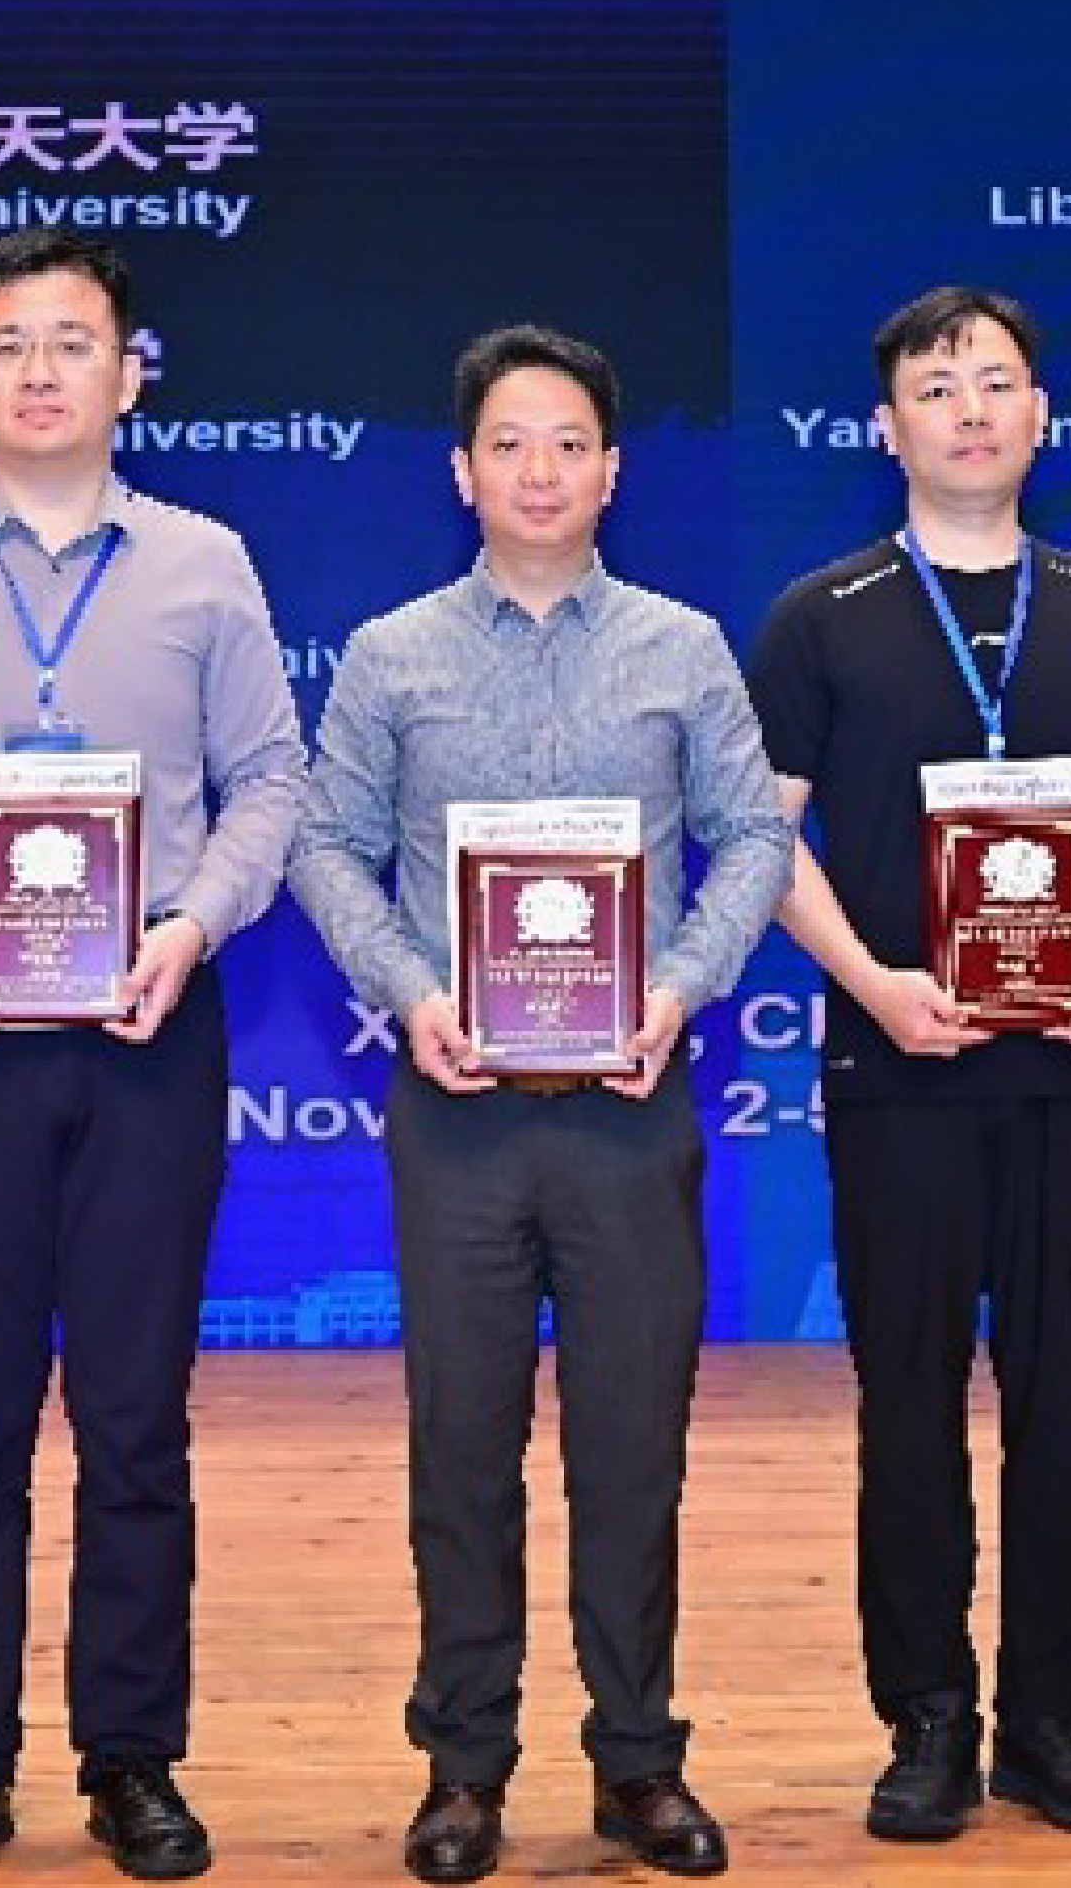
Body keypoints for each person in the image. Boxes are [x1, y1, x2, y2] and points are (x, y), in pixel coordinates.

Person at [0, 228, 306, 1886]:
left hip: (151, 1022)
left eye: (71, 341)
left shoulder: (205, 563)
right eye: (8, 342)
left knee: (136, 1416)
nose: (38, 369)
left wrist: (194, 925)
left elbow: (271, 781)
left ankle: (131, 1757)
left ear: (126, 374)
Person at [290, 325, 793, 1885]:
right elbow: (324, 844)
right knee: (462, 1448)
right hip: (457, 1113)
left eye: (569, 441)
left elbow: (753, 837)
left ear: (611, 470)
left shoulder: (681, 647)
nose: (539, 469)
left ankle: (638, 1759)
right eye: (508, 442)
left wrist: (681, 985)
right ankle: (463, 1764)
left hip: (627, 1106)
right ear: (462, 470)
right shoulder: (391, 654)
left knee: (632, 1451)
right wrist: (411, 991)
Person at [743, 288, 1071, 1843]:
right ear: (888, 426)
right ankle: (926, 1714)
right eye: (936, 387)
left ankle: (1049, 1720)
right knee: (908, 1400)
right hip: (901, 1068)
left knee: (1061, 1402)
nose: (971, 409)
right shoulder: (823, 613)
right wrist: (870, 981)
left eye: (996, 382)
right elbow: (760, 834)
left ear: (1039, 413)